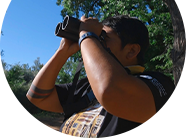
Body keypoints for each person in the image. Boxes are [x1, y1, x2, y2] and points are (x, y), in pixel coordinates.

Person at [26, 15, 178, 138]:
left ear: (131, 51)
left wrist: (87, 35)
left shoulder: (157, 84)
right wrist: (63, 51)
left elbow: (110, 91)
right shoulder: (87, 87)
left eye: (103, 38)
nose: (95, 43)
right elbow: (37, 96)